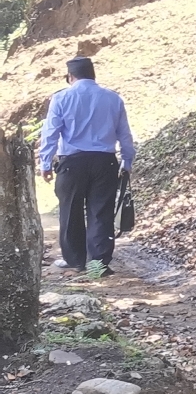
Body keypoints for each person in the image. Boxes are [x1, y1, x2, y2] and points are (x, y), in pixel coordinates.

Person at [38, 56, 135, 279]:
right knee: (101, 213)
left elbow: (51, 133)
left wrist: (45, 162)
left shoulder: (62, 98)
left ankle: (75, 262)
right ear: (93, 75)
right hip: (105, 162)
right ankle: (97, 267)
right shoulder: (113, 99)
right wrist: (126, 162)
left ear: (70, 76)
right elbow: (125, 135)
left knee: (70, 211)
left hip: (72, 163)